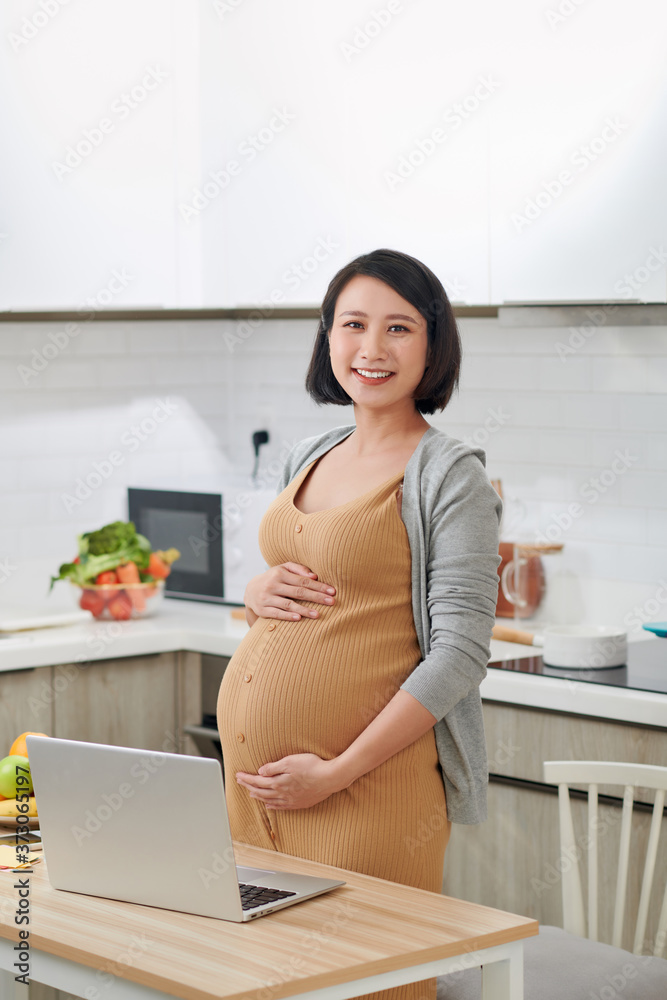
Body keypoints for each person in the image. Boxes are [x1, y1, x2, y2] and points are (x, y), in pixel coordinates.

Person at [217, 248, 502, 1000]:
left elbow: (461, 652)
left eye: (398, 328)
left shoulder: (450, 475)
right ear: (327, 337)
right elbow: (303, 589)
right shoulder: (312, 453)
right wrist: (255, 589)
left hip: (365, 793)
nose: (371, 349)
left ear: (433, 345)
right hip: (256, 795)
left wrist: (336, 772)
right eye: (353, 324)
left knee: (362, 986)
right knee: (265, 984)